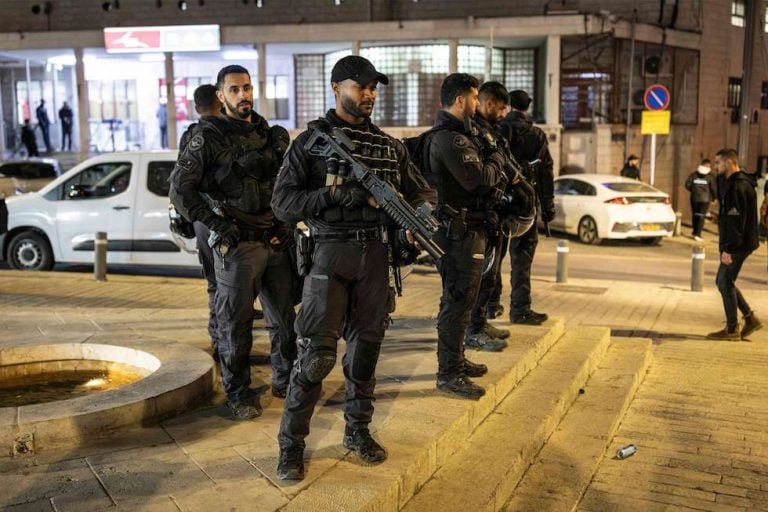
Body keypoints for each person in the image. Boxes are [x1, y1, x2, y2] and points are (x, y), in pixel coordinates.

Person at [271, 55, 436, 481]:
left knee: (364, 355)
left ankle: (357, 432)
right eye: (360, 86)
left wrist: (419, 218)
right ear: (336, 88)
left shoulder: (390, 147)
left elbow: (421, 192)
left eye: (373, 88)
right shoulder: (310, 143)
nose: (369, 94)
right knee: (315, 358)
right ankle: (291, 447)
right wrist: (333, 196)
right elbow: (283, 204)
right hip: (329, 253)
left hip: (376, 257)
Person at [169, 65, 297, 420]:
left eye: (247, 88)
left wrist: (286, 223)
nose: (243, 95)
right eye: (235, 90)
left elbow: (288, 185)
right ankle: (239, 394)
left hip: (275, 241)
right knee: (235, 326)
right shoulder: (207, 137)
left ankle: (286, 381)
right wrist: (215, 224)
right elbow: (180, 189)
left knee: (285, 322)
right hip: (237, 245)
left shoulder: (269, 134)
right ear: (221, 95)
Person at [422, 73, 507, 401]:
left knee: (461, 300)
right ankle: (449, 374)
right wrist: (496, 158)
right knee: (457, 302)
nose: (476, 102)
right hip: (457, 232)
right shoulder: (450, 140)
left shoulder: (462, 134)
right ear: (460, 100)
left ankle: (455, 360)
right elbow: (479, 179)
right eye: (473, 97)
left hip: (465, 229)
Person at [464, 81, 518, 352]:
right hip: (478, 216)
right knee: (480, 277)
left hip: (494, 213)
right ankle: (472, 331)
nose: (503, 113)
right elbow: (483, 174)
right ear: (487, 104)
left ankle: (480, 322)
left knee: (490, 274)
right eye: (500, 107)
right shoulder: (473, 132)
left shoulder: (490, 132)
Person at [495, 89, 554, 325]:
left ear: (508, 106)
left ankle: (490, 305)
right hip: (526, 203)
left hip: (499, 202)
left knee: (494, 256)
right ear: (527, 108)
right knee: (523, 259)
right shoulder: (536, 135)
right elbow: (546, 172)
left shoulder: (498, 130)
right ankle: (520, 309)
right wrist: (548, 206)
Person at [177, 84, 225, 362]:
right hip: (223, 218)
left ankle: (219, 340)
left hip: (203, 220)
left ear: (196, 108)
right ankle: (225, 341)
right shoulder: (225, 132)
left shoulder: (190, 135)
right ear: (221, 101)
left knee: (215, 283)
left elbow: (181, 182)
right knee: (230, 283)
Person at [706, 148, 762, 341]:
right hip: (743, 242)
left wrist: (728, 249)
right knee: (725, 281)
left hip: (738, 244)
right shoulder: (739, 182)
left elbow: (735, 221)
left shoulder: (737, 186)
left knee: (723, 282)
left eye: (718, 163)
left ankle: (732, 329)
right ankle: (750, 319)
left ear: (729, 162)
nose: (716, 167)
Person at [684, 158, 717, 241]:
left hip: (694, 198)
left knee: (695, 214)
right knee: (701, 216)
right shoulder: (710, 176)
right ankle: (698, 234)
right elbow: (713, 188)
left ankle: (694, 232)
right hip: (705, 200)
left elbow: (687, 184)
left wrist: (694, 190)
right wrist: (714, 198)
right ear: (708, 166)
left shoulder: (694, 174)